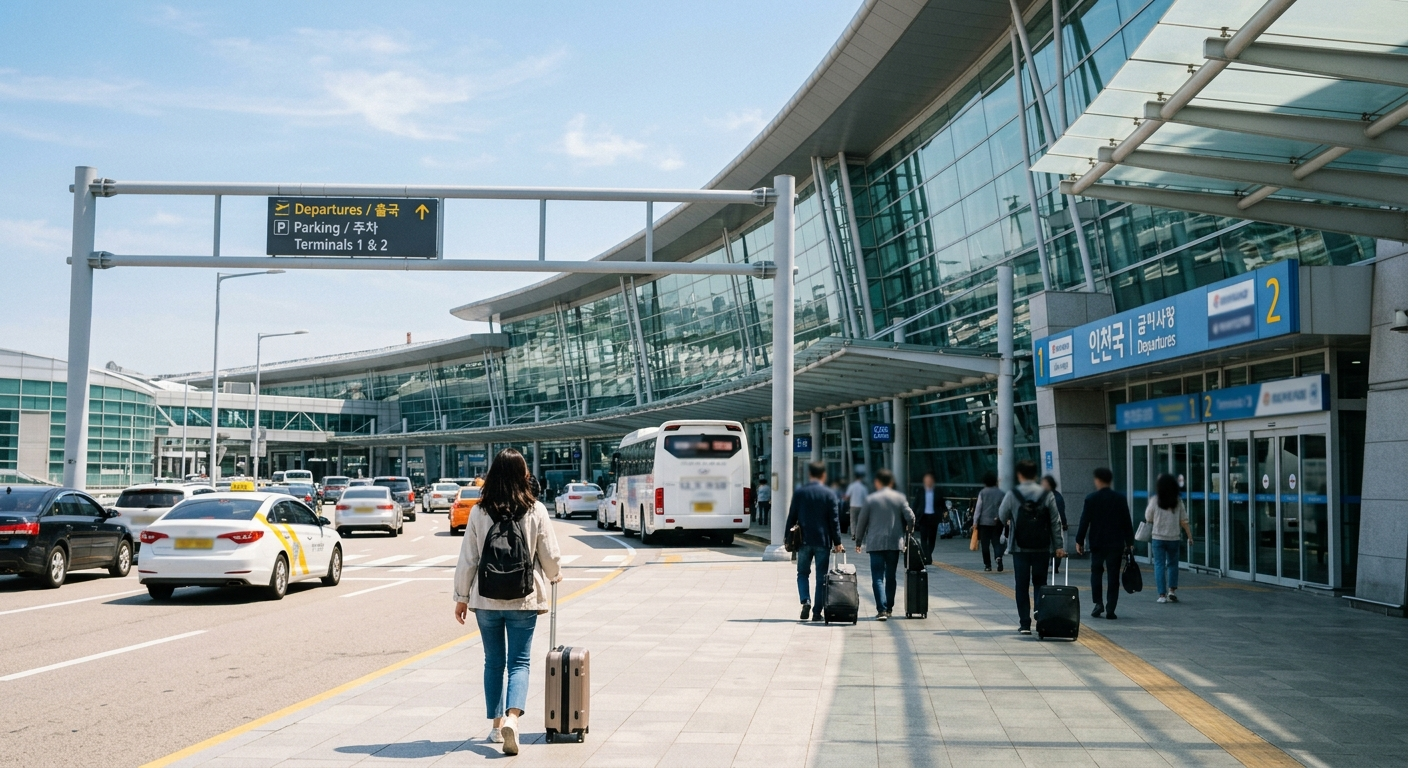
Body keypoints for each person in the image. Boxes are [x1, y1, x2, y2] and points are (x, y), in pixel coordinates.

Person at [453, 448, 563, 755]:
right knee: (519, 662)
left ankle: (495, 726)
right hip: (523, 599)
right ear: (522, 475)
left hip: (486, 599)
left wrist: (461, 598)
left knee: (493, 662)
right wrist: (555, 575)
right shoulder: (535, 509)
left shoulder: (479, 510)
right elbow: (549, 555)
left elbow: (468, 559)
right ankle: (513, 720)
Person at [997, 459, 1066, 635]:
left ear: (1019, 475)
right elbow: (1055, 522)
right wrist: (1058, 546)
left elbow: (1002, 513)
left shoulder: (1013, 494)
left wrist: (1011, 517)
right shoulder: (1047, 494)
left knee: (1021, 585)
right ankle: (1039, 613)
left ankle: (1025, 624)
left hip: (1020, 549)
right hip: (1042, 547)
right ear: (1035, 475)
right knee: (1040, 583)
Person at [784, 462, 845, 621]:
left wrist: (787, 538)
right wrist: (837, 541)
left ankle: (806, 600)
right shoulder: (830, 494)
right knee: (821, 577)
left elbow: (791, 518)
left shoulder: (800, 493)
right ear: (823, 475)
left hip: (803, 541)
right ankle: (817, 612)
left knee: (802, 573)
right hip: (823, 542)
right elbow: (834, 521)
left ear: (810, 475)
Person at [854, 468, 916, 621]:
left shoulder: (871, 499)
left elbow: (861, 522)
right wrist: (910, 530)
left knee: (877, 577)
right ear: (891, 482)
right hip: (894, 543)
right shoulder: (899, 498)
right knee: (891, 576)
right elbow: (911, 516)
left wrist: (858, 541)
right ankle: (889, 608)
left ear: (877, 482)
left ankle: (881, 610)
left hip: (875, 543)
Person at [1075, 467, 1134, 620]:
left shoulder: (1091, 498)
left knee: (1096, 572)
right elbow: (1127, 522)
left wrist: (1079, 541)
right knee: (1113, 575)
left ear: (1098, 480)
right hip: (1115, 543)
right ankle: (1111, 608)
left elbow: (1084, 521)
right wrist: (1130, 542)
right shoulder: (1120, 499)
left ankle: (1098, 603)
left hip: (1097, 542)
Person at [1147, 473, 1193, 604]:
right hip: (1174, 538)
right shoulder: (1177, 500)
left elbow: (1148, 517)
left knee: (1159, 565)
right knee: (1173, 565)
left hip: (1158, 538)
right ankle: (1172, 591)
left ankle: (1162, 595)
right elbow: (1184, 520)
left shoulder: (1155, 500)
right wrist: (1190, 536)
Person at [972, 472, 1006, 572]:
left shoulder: (983, 493)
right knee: (996, 542)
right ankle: (998, 557)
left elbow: (978, 508)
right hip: (997, 522)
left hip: (984, 522)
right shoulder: (1001, 493)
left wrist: (975, 522)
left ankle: (988, 565)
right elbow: (1003, 508)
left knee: (985, 544)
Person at [912, 472, 945, 565]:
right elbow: (915, 504)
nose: (928, 481)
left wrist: (943, 512)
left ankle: (928, 555)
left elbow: (942, 504)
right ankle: (926, 557)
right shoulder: (921, 491)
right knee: (923, 538)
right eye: (926, 480)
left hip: (934, 518)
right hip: (923, 517)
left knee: (932, 538)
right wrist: (913, 514)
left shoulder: (937, 491)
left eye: (930, 479)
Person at [1041, 475, 1069, 574]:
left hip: (1051, 524)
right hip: (1053, 524)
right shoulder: (1057, 496)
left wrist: (1063, 523)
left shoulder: (1049, 496)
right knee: (1056, 544)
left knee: (1055, 545)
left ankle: (1053, 565)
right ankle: (1054, 566)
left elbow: (1060, 512)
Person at [845, 472, 869, 540]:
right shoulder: (863, 487)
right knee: (861, 521)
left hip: (853, 505)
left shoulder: (852, 486)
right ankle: (861, 534)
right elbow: (866, 498)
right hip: (861, 506)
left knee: (853, 521)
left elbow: (847, 496)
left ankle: (854, 534)